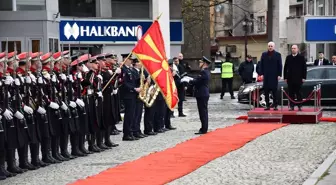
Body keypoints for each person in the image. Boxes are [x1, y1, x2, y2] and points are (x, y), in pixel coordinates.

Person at [184, 56, 211, 135]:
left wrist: (189, 80)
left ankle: (204, 129)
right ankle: (203, 128)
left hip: (202, 94)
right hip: (203, 94)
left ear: (204, 64)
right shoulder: (205, 71)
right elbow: (197, 78)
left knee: (203, 112)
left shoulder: (204, 72)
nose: (199, 64)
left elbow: (197, 81)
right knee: (203, 111)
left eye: (200, 62)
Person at [259, 41, 282, 111]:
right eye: (269, 46)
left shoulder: (278, 55)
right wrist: (261, 74)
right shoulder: (264, 54)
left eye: (271, 46)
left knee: (274, 92)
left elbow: (280, 65)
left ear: (274, 47)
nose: (270, 47)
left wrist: (279, 74)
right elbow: (261, 65)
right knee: (266, 92)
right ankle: (267, 106)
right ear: (267, 47)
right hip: (266, 76)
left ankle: (275, 105)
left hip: (274, 76)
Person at [284, 45, 307, 111]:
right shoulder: (288, 57)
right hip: (290, 78)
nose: (293, 49)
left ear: (297, 49)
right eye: (292, 48)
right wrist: (285, 77)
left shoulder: (301, 57)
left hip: (298, 78)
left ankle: (300, 106)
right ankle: (292, 106)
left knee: (298, 93)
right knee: (291, 93)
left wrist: (304, 77)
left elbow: (304, 68)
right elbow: (285, 68)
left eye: (294, 48)